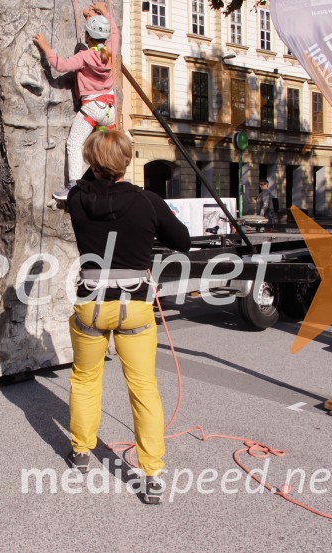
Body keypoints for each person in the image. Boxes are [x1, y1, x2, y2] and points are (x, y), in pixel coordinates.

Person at [66, 129, 191, 504]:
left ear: (90, 162)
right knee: (143, 387)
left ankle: (81, 451)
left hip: (91, 304)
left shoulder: (76, 199)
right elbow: (182, 241)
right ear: (126, 161)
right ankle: (151, 473)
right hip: (134, 305)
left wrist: (96, 159)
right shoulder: (147, 201)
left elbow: (87, 181)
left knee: (85, 379)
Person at [33, 1, 119, 200]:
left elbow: (61, 66)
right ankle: (109, 184)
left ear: (87, 37)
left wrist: (45, 46)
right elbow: (114, 31)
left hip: (93, 108)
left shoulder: (85, 57)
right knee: (102, 148)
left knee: (74, 143)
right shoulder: (111, 50)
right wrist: (105, 12)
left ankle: (73, 186)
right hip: (109, 109)